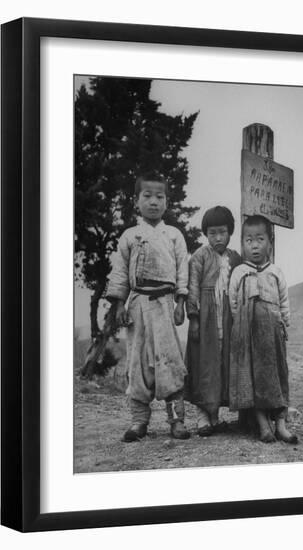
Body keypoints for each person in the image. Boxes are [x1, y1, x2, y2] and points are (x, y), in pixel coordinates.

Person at [105, 172, 191, 442]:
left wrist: (181, 301)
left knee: (170, 361)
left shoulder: (174, 235)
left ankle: (176, 420)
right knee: (137, 362)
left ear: (167, 201)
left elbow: (182, 271)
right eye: (147, 196)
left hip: (165, 304)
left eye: (160, 196)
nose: (154, 202)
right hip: (138, 306)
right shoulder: (130, 236)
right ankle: (139, 421)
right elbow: (119, 273)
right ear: (136, 201)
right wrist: (119, 304)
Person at [229, 215, 297, 444]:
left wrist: (284, 323)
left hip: (273, 332)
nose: (255, 245)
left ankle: (281, 424)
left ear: (270, 242)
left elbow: (284, 301)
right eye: (249, 240)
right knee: (253, 377)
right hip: (248, 334)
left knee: (277, 375)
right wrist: (240, 326)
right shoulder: (239, 272)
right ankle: (263, 425)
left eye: (260, 239)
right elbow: (233, 302)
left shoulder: (276, 272)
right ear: (242, 243)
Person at [185, 206, 241, 436]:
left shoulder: (235, 258)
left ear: (230, 232)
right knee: (203, 365)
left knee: (222, 365)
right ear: (206, 234)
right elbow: (192, 289)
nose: (218, 238)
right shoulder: (199, 257)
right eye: (212, 233)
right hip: (206, 320)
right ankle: (202, 417)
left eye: (222, 232)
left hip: (227, 320)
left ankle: (215, 416)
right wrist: (194, 318)